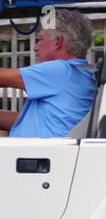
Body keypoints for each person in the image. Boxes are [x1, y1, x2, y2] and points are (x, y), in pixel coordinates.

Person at [0, 8, 97, 138]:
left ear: (58, 42)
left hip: (35, 155)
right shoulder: (81, 72)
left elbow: (3, 77)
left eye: (40, 39)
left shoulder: (62, 71)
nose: (35, 47)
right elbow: (29, 121)